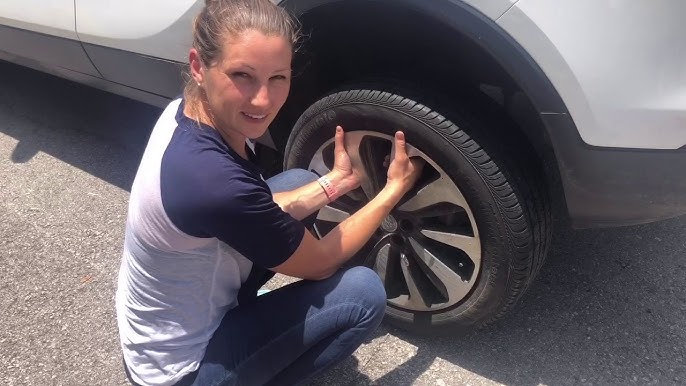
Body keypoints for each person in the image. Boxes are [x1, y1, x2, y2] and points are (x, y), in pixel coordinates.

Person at [115, 0, 423, 385]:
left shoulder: (185, 113)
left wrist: (335, 184)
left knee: (294, 181)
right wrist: (393, 190)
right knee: (362, 293)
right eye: (242, 75)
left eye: (278, 77)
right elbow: (323, 261)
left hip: (162, 324)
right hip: (181, 370)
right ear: (198, 66)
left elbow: (253, 209)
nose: (263, 100)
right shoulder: (211, 182)